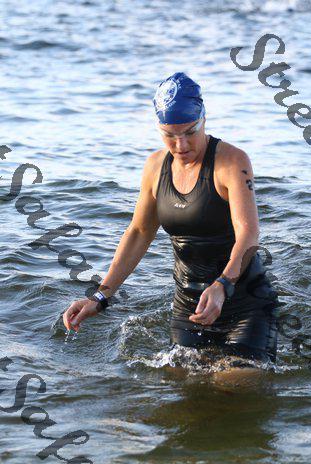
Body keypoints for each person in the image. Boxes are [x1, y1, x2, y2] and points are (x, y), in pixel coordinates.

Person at [62, 72, 279, 378]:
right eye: (169, 135)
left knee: (234, 385)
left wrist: (222, 285)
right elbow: (139, 232)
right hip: (189, 308)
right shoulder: (155, 167)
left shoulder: (232, 162)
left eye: (190, 132)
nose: (181, 144)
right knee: (179, 389)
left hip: (245, 304)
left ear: (204, 119)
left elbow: (249, 234)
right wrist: (100, 296)